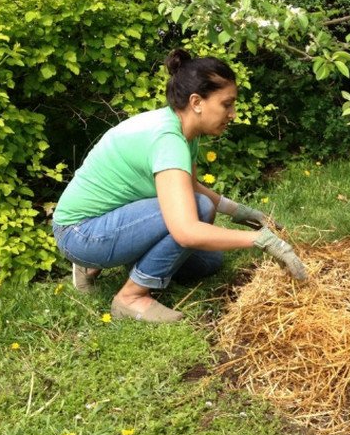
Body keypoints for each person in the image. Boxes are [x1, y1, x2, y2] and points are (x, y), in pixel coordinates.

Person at [52, 49, 307, 323]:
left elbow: (190, 187)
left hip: (112, 223)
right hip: (80, 232)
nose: (232, 114)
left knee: (210, 262)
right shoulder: (168, 140)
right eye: (227, 104)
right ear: (196, 102)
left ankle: (121, 263)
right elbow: (185, 230)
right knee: (198, 210)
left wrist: (242, 212)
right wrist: (261, 240)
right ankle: (130, 297)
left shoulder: (183, 130)